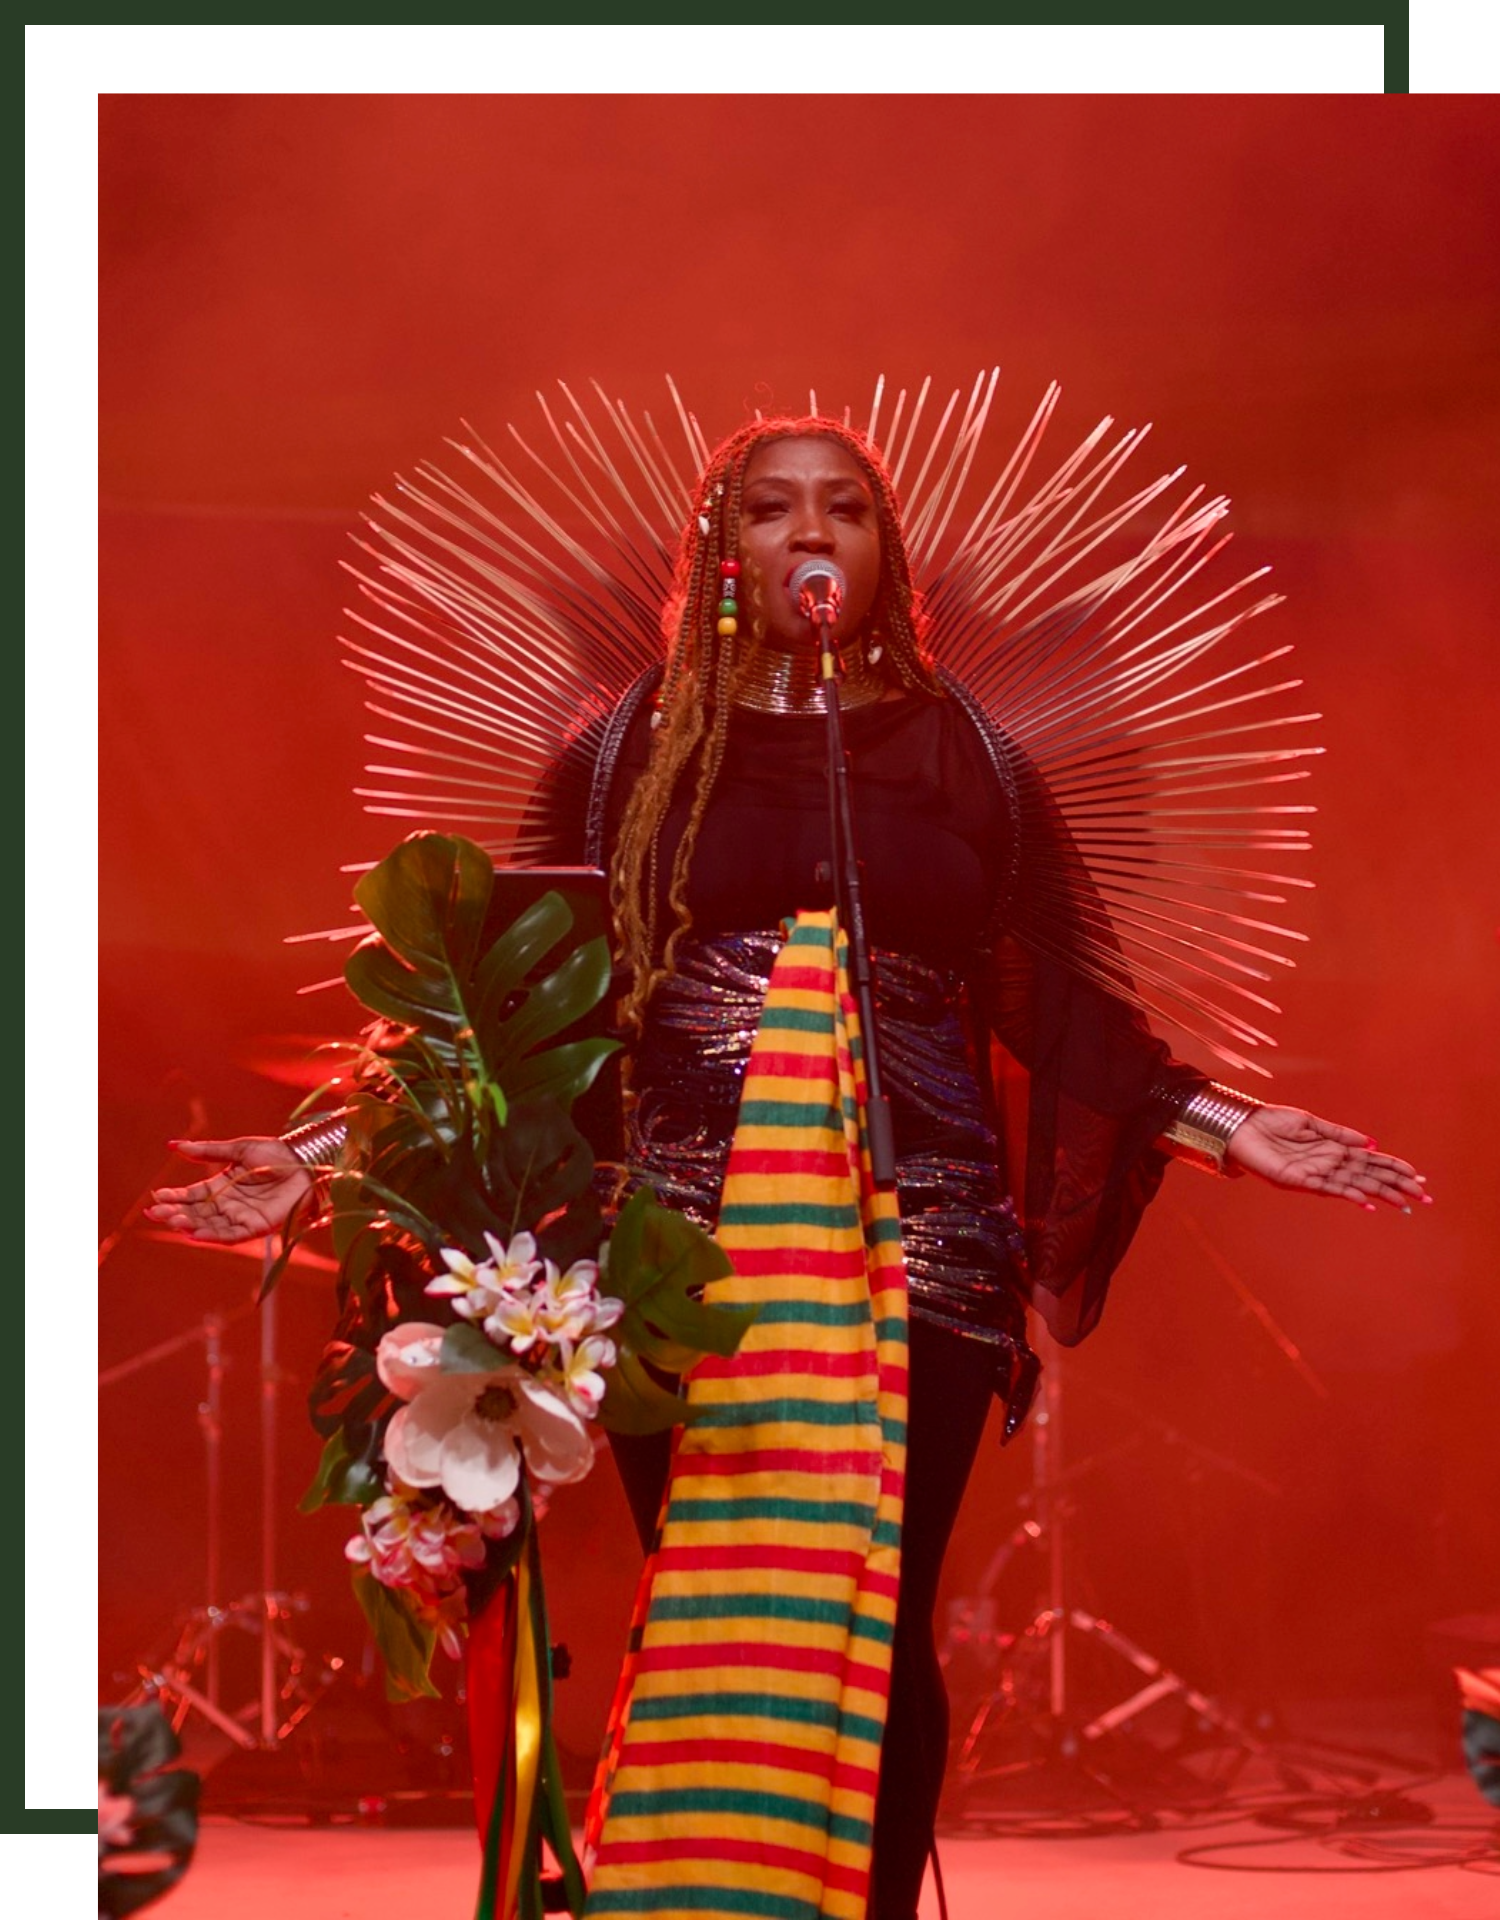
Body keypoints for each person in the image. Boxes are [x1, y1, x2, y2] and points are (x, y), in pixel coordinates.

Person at [148, 413, 1429, 1920]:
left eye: (845, 509)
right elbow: (507, 1005)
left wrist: (1222, 1127)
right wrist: (316, 1158)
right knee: (708, 1600)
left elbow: (1055, 997)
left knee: (879, 1622)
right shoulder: (623, 750)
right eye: (770, 508)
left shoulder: (973, 754)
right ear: (723, 549)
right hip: (673, 1249)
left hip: (923, 1241)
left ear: (885, 554)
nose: (810, 533)